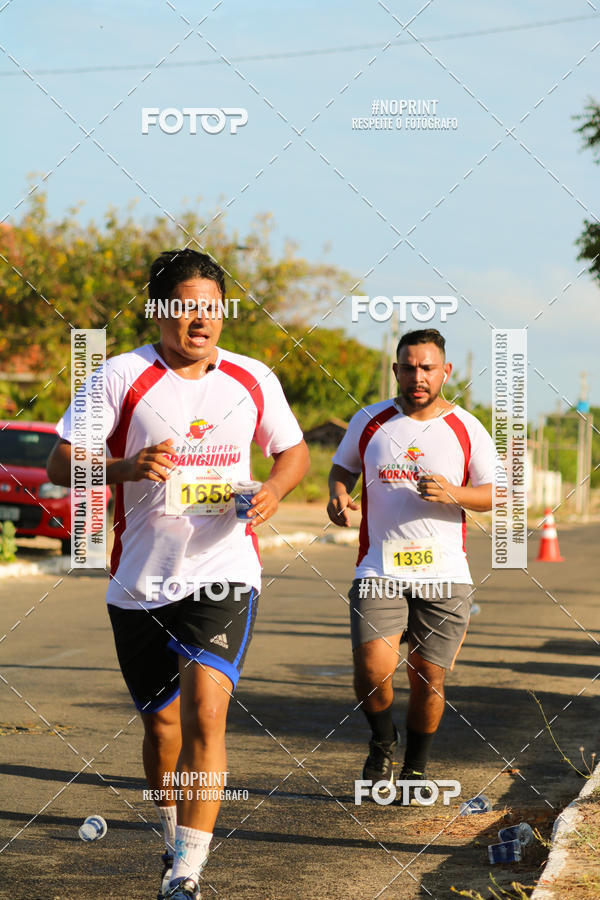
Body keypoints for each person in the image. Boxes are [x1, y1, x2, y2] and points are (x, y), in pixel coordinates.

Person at [47, 249, 309, 899]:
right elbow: (58, 464)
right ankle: (173, 838)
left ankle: (187, 874)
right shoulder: (119, 376)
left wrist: (276, 489)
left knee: (205, 715)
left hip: (223, 571)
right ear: (161, 309)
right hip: (139, 580)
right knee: (162, 727)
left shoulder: (252, 379)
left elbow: (293, 451)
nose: (202, 319)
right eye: (188, 305)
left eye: (213, 307)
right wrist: (123, 468)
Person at [326, 328, 494, 805]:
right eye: (409, 367)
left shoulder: (466, 427)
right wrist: (338, 496)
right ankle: (383, 742)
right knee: (373, 670)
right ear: (396, 369)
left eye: (427, 368)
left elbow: (497, 493)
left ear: (446, 372)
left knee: (428, 677)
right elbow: (342, 469)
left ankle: (416, 769)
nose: (417, 377)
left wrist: (455, 494)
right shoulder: (370, 420)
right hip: (380, 568)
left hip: (446, 575)